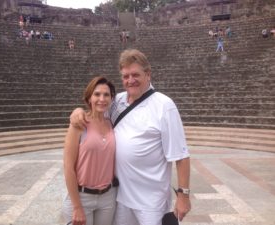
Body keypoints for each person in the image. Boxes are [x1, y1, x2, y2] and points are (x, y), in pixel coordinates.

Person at [71, 49, 191, 225]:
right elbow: (96, 111)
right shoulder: (117, 101)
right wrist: (78, 111)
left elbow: (181, 156)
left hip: (152, 202)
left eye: (135, 74)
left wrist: (183, 196)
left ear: (148, 74)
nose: (130, 80)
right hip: (121, 198)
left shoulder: (164, 105)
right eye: (125, 76)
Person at [63, 76, 118, 225]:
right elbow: (68, 168)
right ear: (89, 98)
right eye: (97, 94)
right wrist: (77, 207)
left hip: (108, 196)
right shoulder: (79, 124)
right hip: (82, 196)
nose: (102, 99)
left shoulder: (112, 123)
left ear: (112, 98)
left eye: (106, 95)